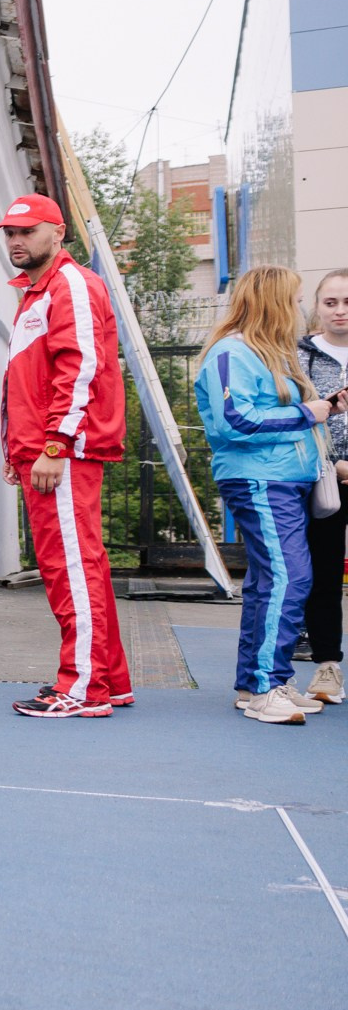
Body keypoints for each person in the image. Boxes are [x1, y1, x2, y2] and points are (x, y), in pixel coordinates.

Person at [0, 194, 132, 719]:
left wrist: (54, 445)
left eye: (27, 231)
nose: (16, 241)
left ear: (58, 232)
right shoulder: (37, 291)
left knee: (70, 566)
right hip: (44, 451)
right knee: (81, 565)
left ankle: (82, 688)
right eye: (9, 233)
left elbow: (82, 368)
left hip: (60, 453)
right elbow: (28, 380)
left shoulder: (68, 284)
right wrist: (18, 447)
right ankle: (109, 681)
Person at [196, 266, 332, 725]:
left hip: (279, 480)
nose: (299, 309)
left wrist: (314, 409)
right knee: (289, 577)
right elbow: (235, 421)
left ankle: (257, 683)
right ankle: (265, 686)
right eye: (292, 301)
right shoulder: (232, 352)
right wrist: (306, 413)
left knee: (270, 582)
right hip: (260, 480)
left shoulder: (267, 353)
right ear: (273, 303)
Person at [299, 268, 348, 705]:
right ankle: (327, 666)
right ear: (317, 307)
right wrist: (335, 464)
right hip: (324, 480)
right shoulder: (300, 356)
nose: (340, 311)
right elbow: (293, 417)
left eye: (347, 302)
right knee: (324, 574)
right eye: (331, 302)